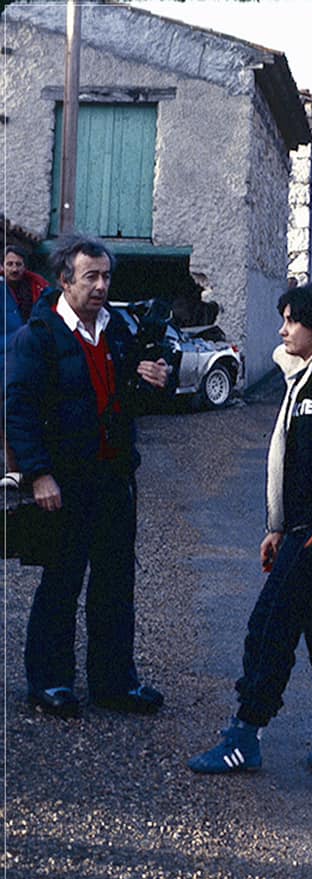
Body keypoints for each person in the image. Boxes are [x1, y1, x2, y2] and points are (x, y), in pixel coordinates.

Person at [188, 282, 312, 779]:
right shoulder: (307, 375)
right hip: (308, 526)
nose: (283, 329)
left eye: (291, 320)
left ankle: (244, 736)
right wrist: (277, 527)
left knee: (270, 622)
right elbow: (293, 464)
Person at [5, 234, 170, 718]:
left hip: (114, 479)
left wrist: (150, 383)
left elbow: (131, 403)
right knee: (62, 582)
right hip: (65, 482)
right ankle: (50, 682)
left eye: (106, 277)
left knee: (115, 586)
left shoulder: (117, 330)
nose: (101, 286)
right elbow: (19, 410)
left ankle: (115, 683)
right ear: (64, 280)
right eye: (91, 277)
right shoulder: (38, 336)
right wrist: (38, 475)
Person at [1, 246, 49, 474]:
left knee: (35, 414)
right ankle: (13, 469)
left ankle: (35, 467)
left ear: (25, 266)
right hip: (4, 362)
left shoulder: (39, 287)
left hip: (34, 361)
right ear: (2, 266)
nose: (14, 268)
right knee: (8, 416)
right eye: (9, 264)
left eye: (18, 264)